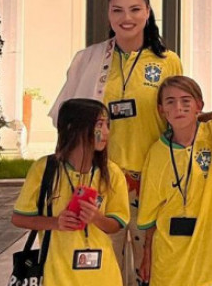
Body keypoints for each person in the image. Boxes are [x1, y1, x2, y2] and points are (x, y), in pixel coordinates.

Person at [49, 0, 183, 285]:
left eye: (135, 9)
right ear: (108, 14)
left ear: (147, 12)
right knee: (103, 268)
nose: (127, 18)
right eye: (117, 10)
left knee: (152, 268)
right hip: (102, 182)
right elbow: (67, 119)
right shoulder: (88, 61)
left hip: (150, 182)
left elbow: (177, 119)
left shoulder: (167, 61)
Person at [136, 73, 212, 286]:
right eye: (170, 101)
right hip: (170, 261)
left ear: (199, 105)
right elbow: (150, 213)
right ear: (161, 110)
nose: (178, 107)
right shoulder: (156, 153)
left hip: (209, 258)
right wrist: (147, 254)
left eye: (185, 100)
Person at [12, 98, 130, 286]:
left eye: (107, 125)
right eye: (99, 125)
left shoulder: (112, 173)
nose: (107, 132)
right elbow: (19, 218)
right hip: (57, 275)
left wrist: (96, 217)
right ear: (73, 127)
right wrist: (55, 223)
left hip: (102, 275)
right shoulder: (44, 169)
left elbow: (116, 225)